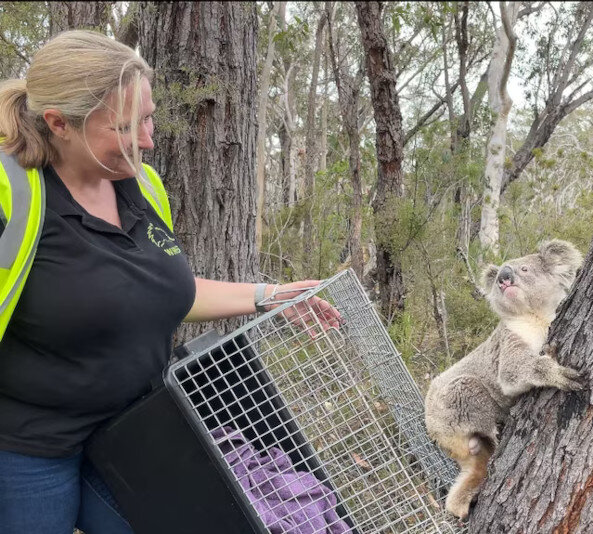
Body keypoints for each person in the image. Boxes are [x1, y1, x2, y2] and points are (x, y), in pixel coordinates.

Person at [0, 30, 340, 534]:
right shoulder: (11, 195)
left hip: (134, 432)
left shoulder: (142, 186)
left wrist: (267, 298)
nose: (147, 140)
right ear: (58, 124)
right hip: (28, 449)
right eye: (125, 126)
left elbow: (160, 295)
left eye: (149, 117)